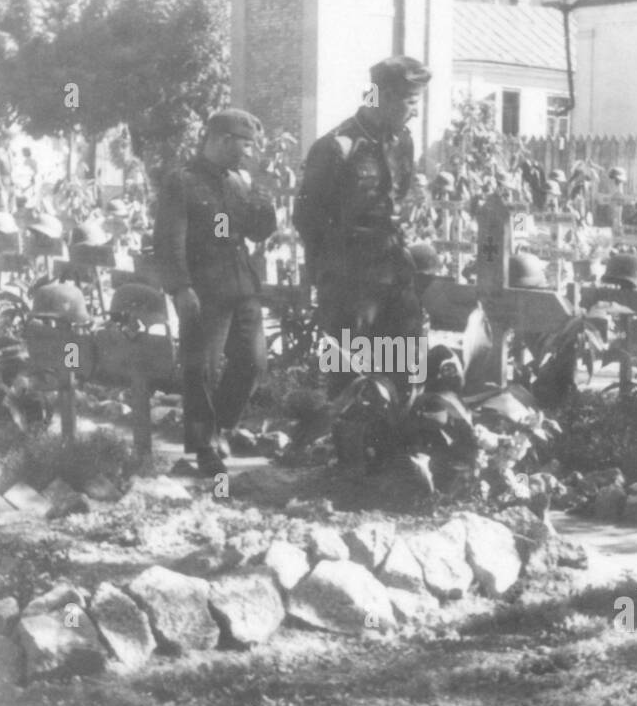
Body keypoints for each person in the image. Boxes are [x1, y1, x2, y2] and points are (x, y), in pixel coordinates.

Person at [294, 54, 432, 401]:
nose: (415, 111)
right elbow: (307, 218)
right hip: (348, 278)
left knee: (402, 361)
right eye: (410, 101)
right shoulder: (335, 147)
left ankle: (393, 447)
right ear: (381, 96)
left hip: (393, 270)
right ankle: (346, 451)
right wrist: (326, 275)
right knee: (348, 372)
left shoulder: (403, 141)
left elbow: (396, 197)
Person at [154, 108, 276, 477]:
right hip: (203, 289)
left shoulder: (240, 181)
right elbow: (168, 240)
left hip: (241, 285)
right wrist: (179, 288)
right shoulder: (183, 181)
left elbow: (259, 231)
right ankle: (203, 445)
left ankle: (221, 428)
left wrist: (261, 192)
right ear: (223, 140)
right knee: (201, 368)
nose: (249, 153)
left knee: (254, 362)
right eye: (245, 144)